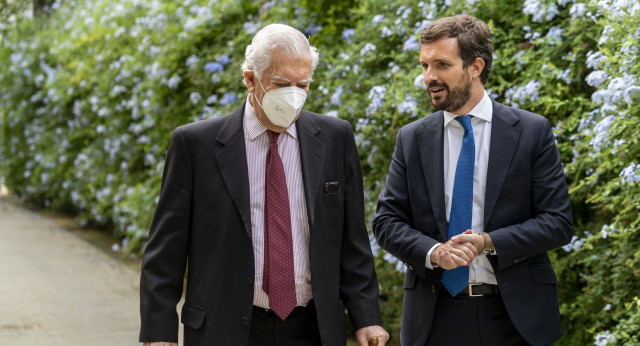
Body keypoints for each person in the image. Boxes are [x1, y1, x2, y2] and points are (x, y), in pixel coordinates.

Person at [139, 24, 389, 346]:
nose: (294, 96)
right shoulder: (195, 144)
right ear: (250, 79)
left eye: (304, 85)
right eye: (282, 84)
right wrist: (159, 333)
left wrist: (367, 318)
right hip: (225, 327)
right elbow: (166, 249)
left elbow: (351, 240)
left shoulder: (334, 138)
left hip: (313, 327)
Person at [373, 14, 573, 346]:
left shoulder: (531, 131)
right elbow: (386, 222)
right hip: (436, 315)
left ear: (475, 66)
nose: (429, 77)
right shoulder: (412, 138)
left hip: (517, 317)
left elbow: (558, 222)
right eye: (424, 66)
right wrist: (435, 251)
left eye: (441, 64)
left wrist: (487, 242)